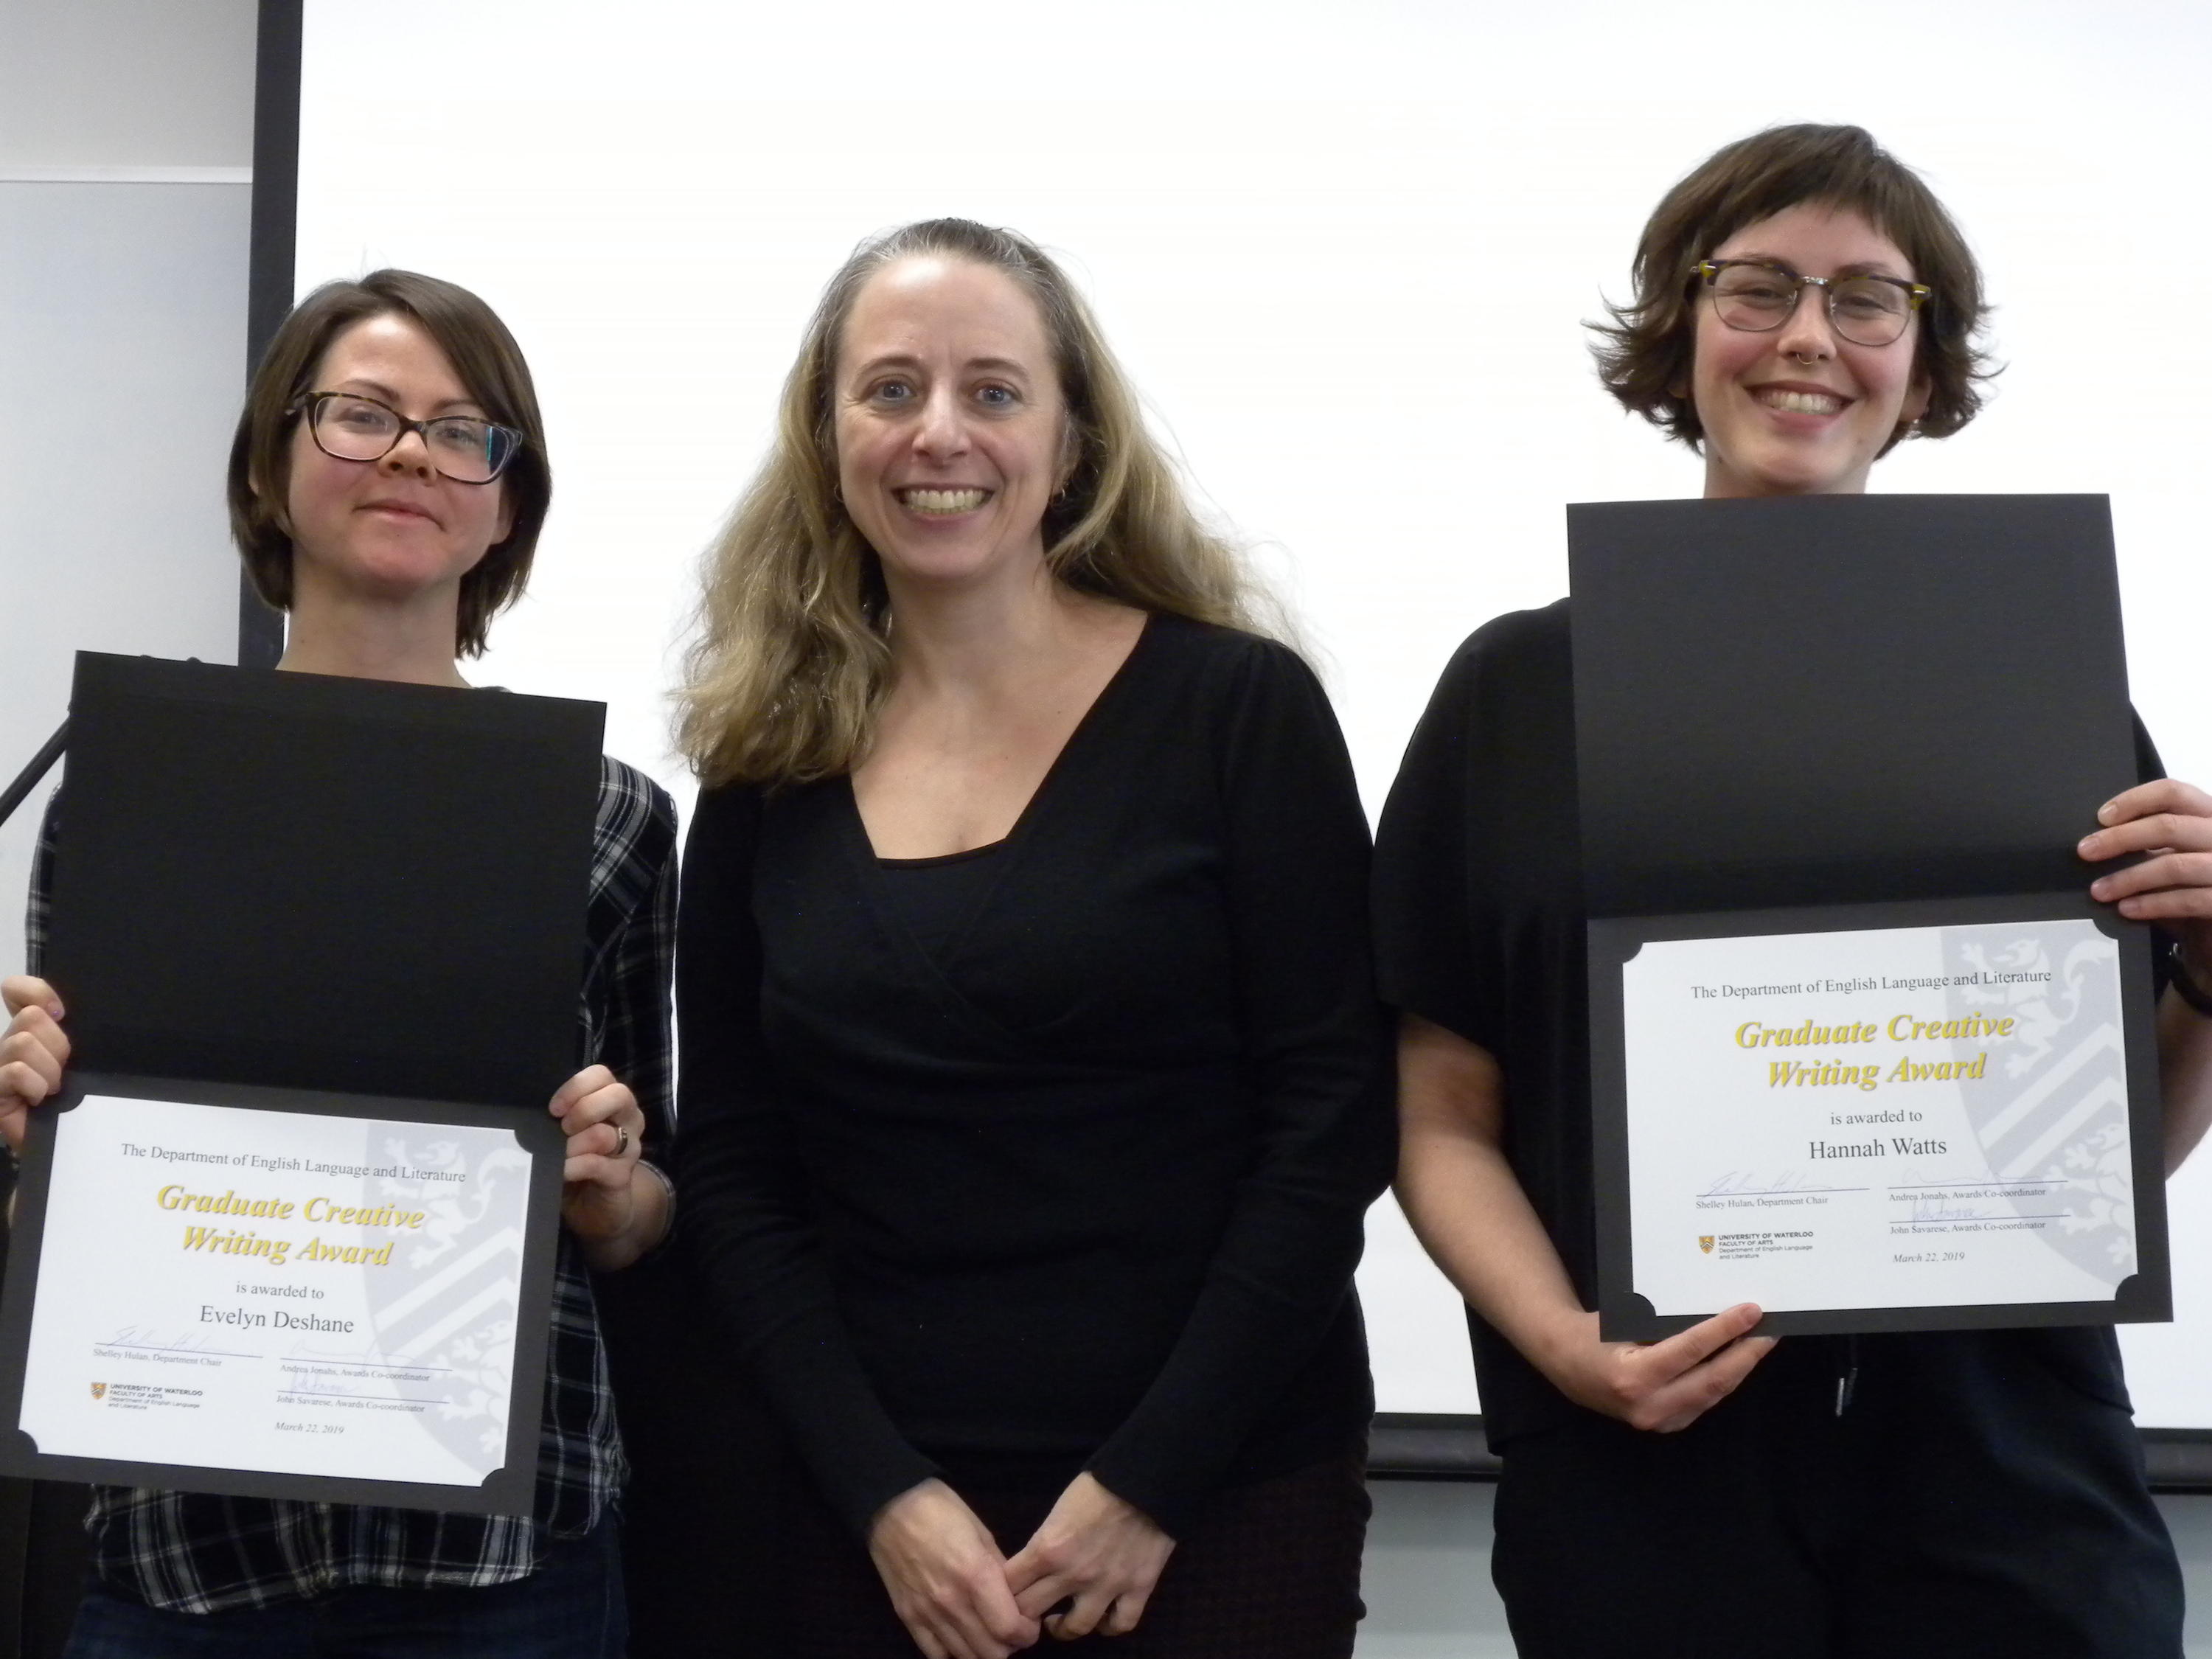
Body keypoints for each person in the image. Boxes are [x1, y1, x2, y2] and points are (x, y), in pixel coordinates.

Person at [1377, 122, 2212, 1658]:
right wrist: (1566, 1347)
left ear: (1926, 359)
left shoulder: (2049, 681)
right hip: (1649, 1486)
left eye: (1868, 299)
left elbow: (2106, 1161)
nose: (1810, 338)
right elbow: (1439, 1105)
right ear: (1680, 329)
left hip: (2009, 1482)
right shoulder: (1512, 692)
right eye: (1756, 286)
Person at [675, 218, 1394, 1659]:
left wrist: (1149, 1483)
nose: (940, 432)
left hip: (1216, 1502)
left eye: (994, 391)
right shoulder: (763, 769)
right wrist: (883, 1495)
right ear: (830, 442)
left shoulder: (1235, 714)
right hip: (870, 1532)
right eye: (890, 390)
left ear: (1070, 444)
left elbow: (1332, 1120)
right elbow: (738, 1172)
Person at [0, 269, 673, 1658]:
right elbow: (54, 1215)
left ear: (506, 502)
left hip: (506, 1563)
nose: (416, 454)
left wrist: (610, 1181)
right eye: (363, 415)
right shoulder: (130, 786)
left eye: (466, 432)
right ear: (271, 459)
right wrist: (25, 1133)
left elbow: (652, 1209)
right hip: (187, 1554)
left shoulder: (607, 814)